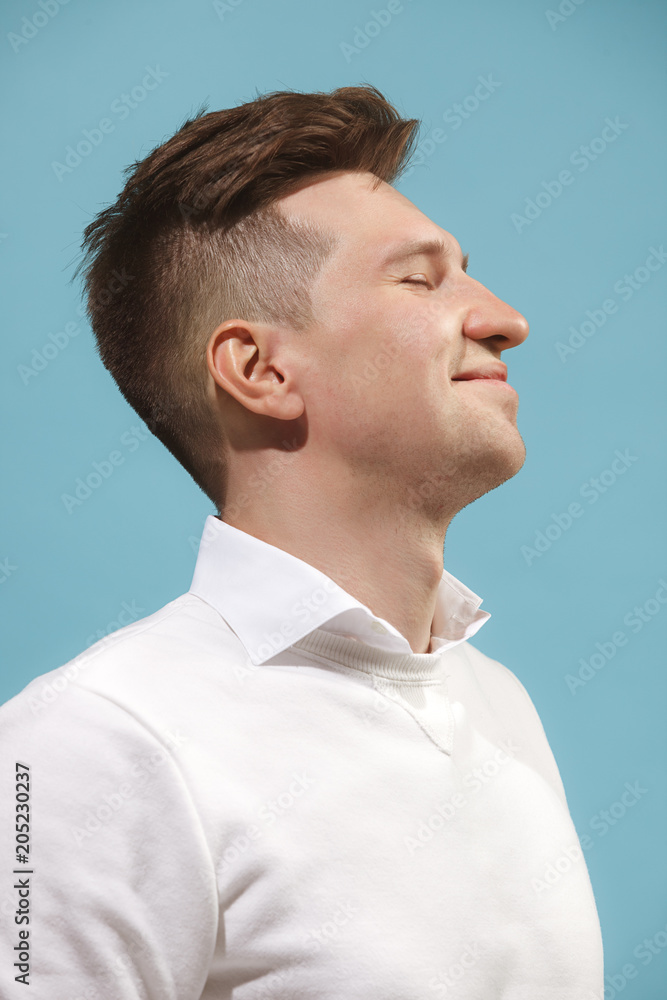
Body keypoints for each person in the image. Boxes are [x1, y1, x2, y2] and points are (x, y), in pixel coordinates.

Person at [0, 84, 603, 998]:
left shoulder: (496, 703)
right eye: (420, 277)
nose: (503, 317)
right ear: (260, 369)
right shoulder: (88, 746)